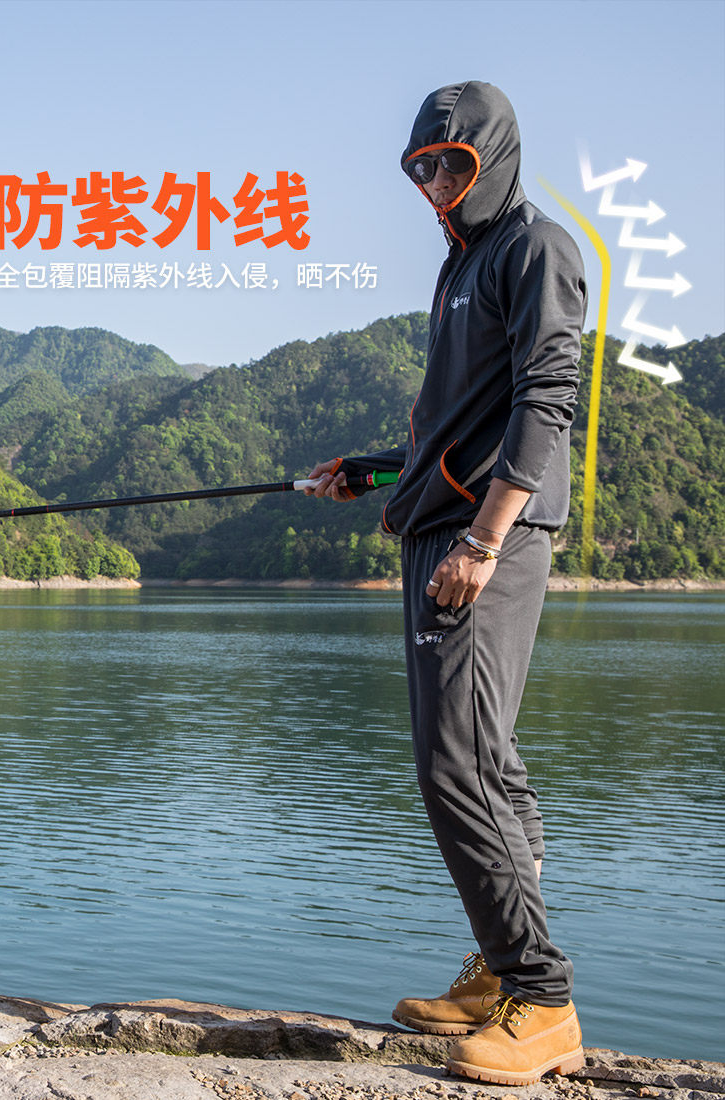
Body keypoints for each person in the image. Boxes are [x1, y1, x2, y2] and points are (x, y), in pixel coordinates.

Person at [305, 81, 587, 1086]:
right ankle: (498, 971)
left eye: (450, 165)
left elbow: (547, 396)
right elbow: (460, 426)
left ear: (493, 157)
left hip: (480, 543)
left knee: (454, 765)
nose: (432, 183)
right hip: (443, 527)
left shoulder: (534, 248)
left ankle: (541, 999)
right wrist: (375, 469)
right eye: (420, 167)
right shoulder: (460, 266)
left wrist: (485, 537)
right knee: (488, 759)